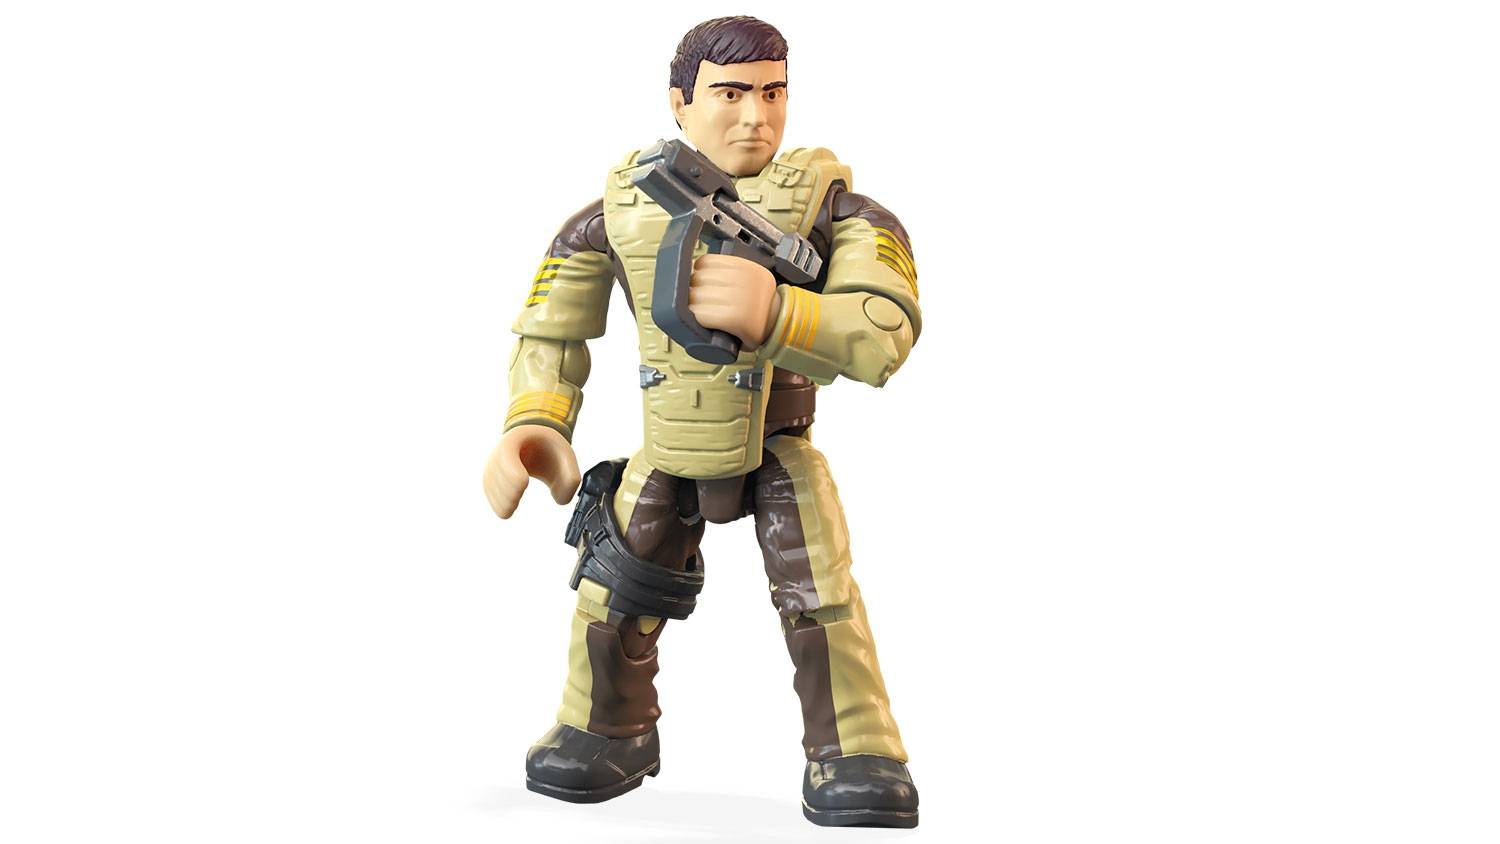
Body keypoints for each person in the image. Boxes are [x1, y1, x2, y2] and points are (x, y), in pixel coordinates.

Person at [482, 16, 923, 828]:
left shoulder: (834, 210)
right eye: (731, 93)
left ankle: (857, 749)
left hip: (778, 443)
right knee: (610, 589)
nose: (757, 116)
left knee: (820, 597)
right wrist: (535, 422)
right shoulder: (622, 208)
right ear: (680, 103)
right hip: (668, 443)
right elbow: (551, 331)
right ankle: (605, 731)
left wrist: (782, 313)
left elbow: (885, 327)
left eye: (774, 92)